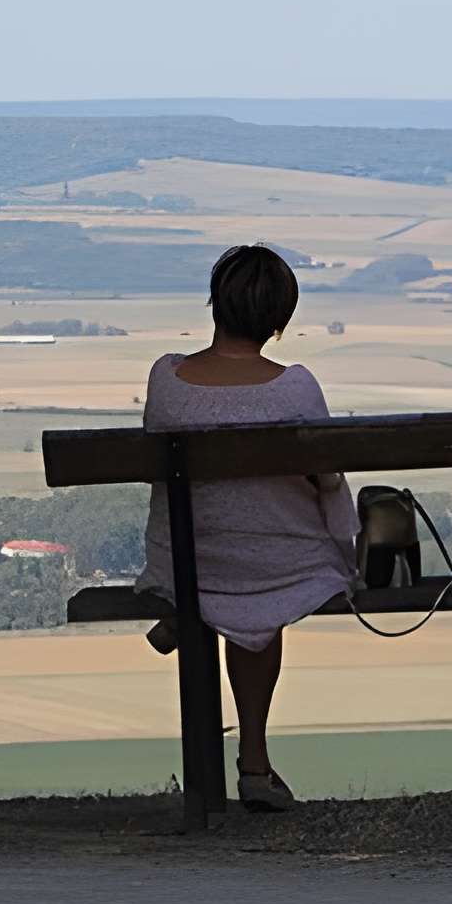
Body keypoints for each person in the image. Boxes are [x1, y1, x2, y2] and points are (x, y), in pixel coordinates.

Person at [138, 241, 355, 813]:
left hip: (187, 560)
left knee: (232, 570)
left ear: (215, 304)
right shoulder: (295, 388)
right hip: (274, 567)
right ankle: (253, 761)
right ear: (281, 320)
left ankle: (187, 610)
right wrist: (344, 542)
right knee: (265, 588)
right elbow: (326, 479)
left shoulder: (167, 379)